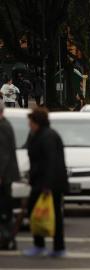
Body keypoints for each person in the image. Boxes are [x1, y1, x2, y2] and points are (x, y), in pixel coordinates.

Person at [23, 108, 68, 258]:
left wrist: (47, 185)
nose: (29, 124)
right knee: (34, 211)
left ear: (37, 122)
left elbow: (51, 162)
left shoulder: (48, 136)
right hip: (39, 180)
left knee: (54, 214)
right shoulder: (35, 135)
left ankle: (58, 247)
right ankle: (39, 244)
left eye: (31, 122)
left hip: (51, 183)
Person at [0, 102, 20, 250]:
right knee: (5, 208)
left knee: (4, 209)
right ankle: (8, 238)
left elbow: (4, 154)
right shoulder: (6, 125)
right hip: (7, 175)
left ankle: (7, 238)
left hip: (4, 176)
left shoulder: (3, 127)